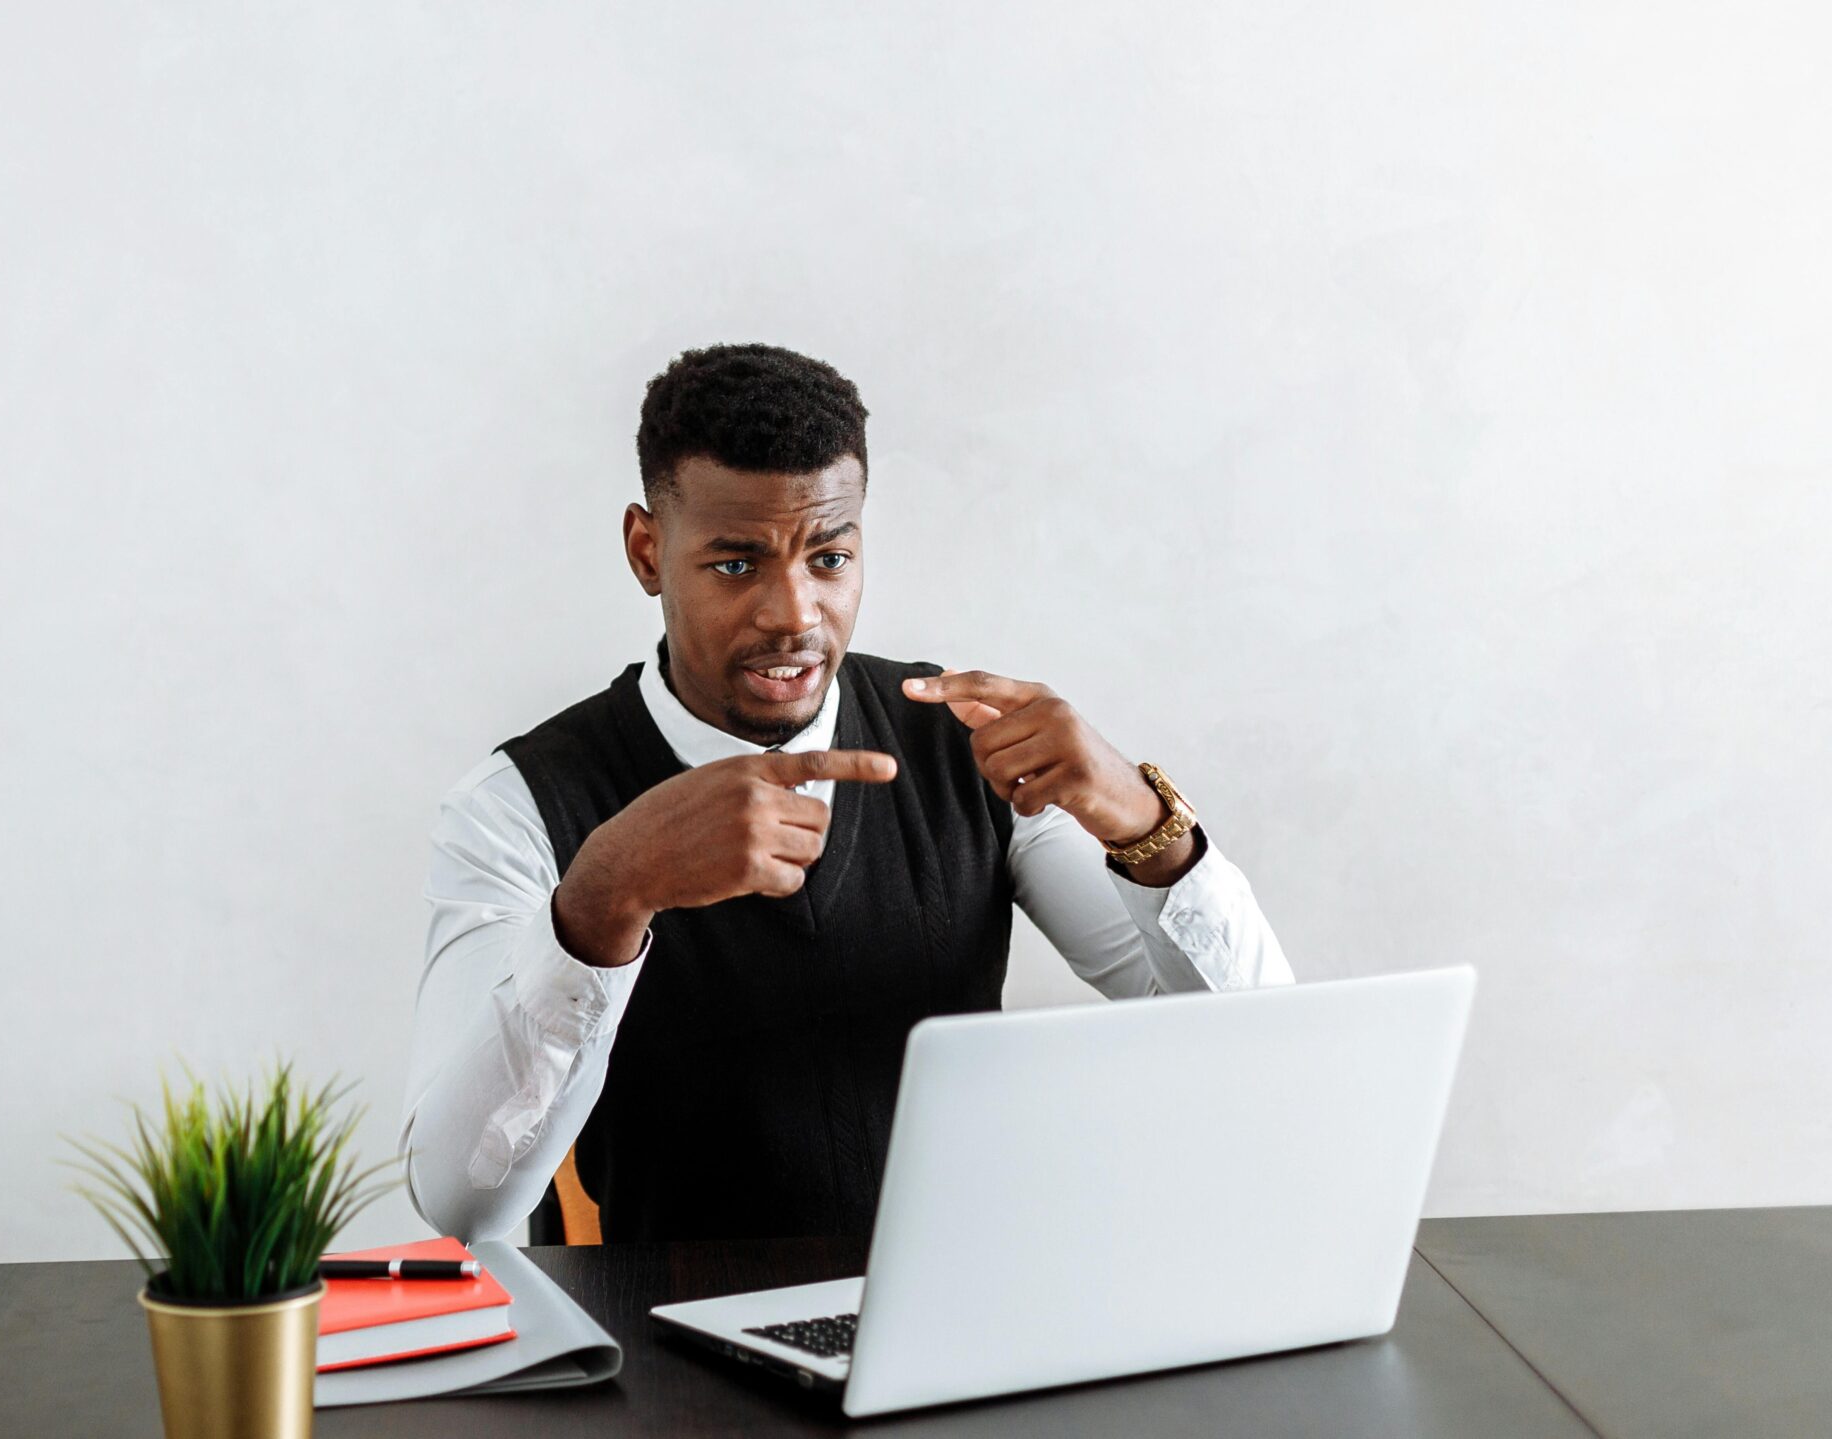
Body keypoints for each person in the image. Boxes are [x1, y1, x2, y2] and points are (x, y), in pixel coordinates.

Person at [401, 343, 1294, 1244]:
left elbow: (1260, 1058)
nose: (793, 611)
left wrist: (1149, 825)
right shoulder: (516, 805)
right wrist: (602, 898)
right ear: (647, 549)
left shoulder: (965, 744)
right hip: (659, 1352)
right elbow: (461, 1200)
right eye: (737, 565)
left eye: (828, 558)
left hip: (954, 1328)